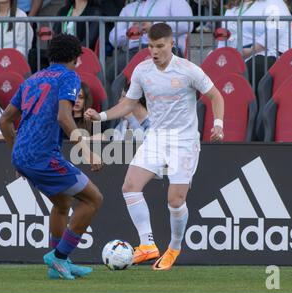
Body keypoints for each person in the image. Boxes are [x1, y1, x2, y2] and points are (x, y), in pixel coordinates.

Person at [85, 23, 224, 271]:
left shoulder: (188, 70)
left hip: (183, 142)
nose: (154, 51)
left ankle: (174, 247)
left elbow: (216, 96)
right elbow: (129, 104)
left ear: (172, 44)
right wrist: (103, 116)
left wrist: (219, 125)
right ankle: (148, 245)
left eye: (159, 46)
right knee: (130, 187)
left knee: (175, 200)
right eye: (150, 46)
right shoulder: (142, 70)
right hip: (156, 138)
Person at [0, 34, 103, 280]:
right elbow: (64, 117)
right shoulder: (69, 76)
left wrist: (17, 154)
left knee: (62, 204)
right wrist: (87, 151)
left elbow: (4, 121)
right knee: (93, 199)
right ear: (77, 58)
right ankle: (59, 257)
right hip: (42, 155)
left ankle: (57, 264)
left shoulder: (32, 79)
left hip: (24, 154)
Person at [217, 0, 292, 93]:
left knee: (256, 65)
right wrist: (219, 56)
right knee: (213, 69)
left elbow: (275, 31)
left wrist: (251, 50)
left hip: (275, 54)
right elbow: (224, 36)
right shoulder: (232, 8)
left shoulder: (274, 3)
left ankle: (253, 106)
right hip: (240, 55)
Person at [107, 0, 193, 83]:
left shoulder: (174, 1)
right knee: (109, 76)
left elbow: (186, 25)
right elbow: (113, 39)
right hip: (133, 52)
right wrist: (128, 32)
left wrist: (153, 26)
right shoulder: (128, 8)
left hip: (166, 50)